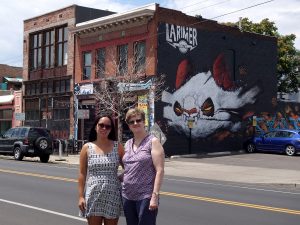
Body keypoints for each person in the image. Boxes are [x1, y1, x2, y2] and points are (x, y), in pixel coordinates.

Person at [78, 115, 124, 225]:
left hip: (113, 195)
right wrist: (80, 197)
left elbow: (130, 168)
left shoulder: (118, 147)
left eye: (108, 126)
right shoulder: (87, 147)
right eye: (101, 125)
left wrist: (119, 178)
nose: (104, 128)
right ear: (95, 127)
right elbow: (82, 174)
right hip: (93, 193)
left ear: (111, 129)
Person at [122, 108, 165, 225]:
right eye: (132, 122)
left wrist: (154, 196)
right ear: (128, 125)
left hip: (145, 196)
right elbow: (129, 168)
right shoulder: (127, 143)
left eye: (138, 120)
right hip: (127, 196)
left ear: (144, 121)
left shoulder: (153, 142)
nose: (135, 123)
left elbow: (160, 170)